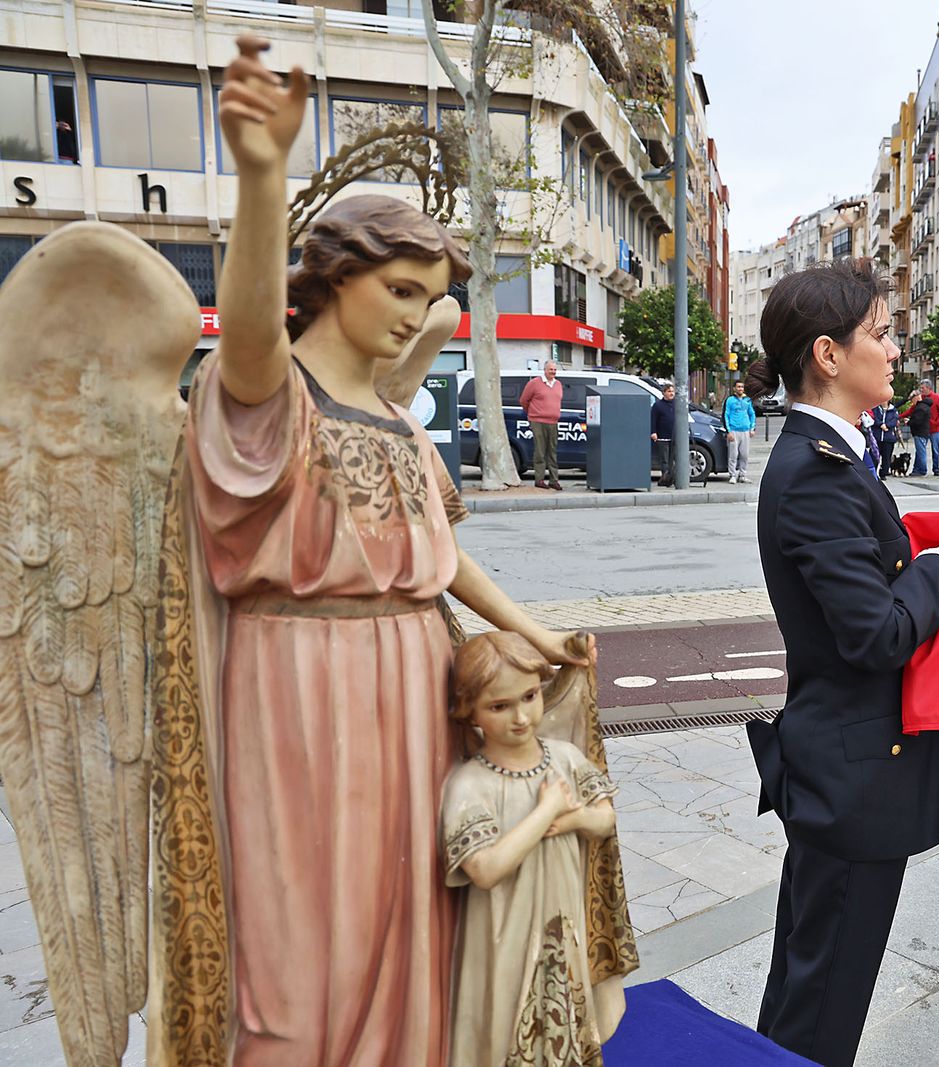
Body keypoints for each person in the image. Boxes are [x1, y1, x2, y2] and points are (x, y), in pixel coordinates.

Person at [151, 35, 594, 1062]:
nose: (413, 315)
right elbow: (253, 330)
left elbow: (436, 556)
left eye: (426, 295)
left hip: (412, 677)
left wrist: (531, 632)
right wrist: (265, 180)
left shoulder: (393, 414)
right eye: (399, 288)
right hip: (302, 691)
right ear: (337, 276)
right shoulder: (271, 399)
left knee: (412, 912)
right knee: (307, 934)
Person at [741, 258, 939, 1067]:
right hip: (850, 777)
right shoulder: (817, 475)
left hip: (842, 766)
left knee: (807, 989)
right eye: (881, 335)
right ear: (827, 354)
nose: (895, 351)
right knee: (822, 1011)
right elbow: (876, 634)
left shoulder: (836, 458)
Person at [442, 631, 622, 1066]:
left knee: (562, 1004)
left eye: (529, 697)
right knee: (507, 1013)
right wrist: (547, 811)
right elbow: (484, 869)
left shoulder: (562, 758)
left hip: (561, 917)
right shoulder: (471, 784)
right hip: (505, 929)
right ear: (470, 713)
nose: (521, 717)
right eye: (499, 706)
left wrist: (577, 818)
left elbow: (604, 818)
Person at [518, 359, 564, 489]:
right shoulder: (534, 383)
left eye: (555, 370)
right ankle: (539, 480)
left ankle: (554, 481)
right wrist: (534, 414)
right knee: (540, 451)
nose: (553, 372)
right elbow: (523, 401)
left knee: (552, 452)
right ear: (545, 370)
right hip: (538, 422)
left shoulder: (558, 384)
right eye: (551, 369)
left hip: (553, 422)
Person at [722, 379, 757, 483]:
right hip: (734, 431)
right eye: (738, 387)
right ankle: (732, 475)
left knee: (744, 455)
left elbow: (752, 414)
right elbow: (725, 415)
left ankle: (742, 475)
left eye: (742, 387)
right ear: (734, 388)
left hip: (745, 431)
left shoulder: (747, 400)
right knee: (733, 455)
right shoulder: (730, 400)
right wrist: (728, 431)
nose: (740, 389)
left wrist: (752, 428)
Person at [650, 382, 676, 486]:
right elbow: (653, 420)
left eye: (673, 391)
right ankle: (665, 479)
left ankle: (672, 478)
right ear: (664, 393)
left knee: (672, 459)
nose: (671, 393)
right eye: (669, 391)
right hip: (662, 437)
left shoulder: (677, 404)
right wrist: (653, 432)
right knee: (664, 459)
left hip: (674, 436)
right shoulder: (658, 406)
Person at [905, 388, 933, 476]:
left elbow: (917, 421)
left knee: (921, 452)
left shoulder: (920, 408)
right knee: (920, 451)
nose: (911, 402)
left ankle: (922, 470)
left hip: (920, 432)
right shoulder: (924, 406)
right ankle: (917, 469)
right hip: (923, 432)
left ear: (916, 397)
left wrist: (908, 422)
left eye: (912, 399)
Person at [923, 379, 939, 476]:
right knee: (921, 449)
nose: (921, 390)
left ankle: (936, 469)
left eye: (923, 388)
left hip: (935, 429)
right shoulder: (921, 397)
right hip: (924, 428)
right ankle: (921, 468)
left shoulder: (937, 398)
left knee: (935, 450)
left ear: (928, 388)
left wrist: (936, 423)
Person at [876, 400, 900, 478]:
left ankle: (883, 473)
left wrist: (887, 426)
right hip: (878, 436)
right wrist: (880, 424)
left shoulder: (893, 410)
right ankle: (873, 472)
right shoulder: (876, 409)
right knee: (875, 456)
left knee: (887, 457)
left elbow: (894, 420)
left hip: (889, 437)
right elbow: (874, 418)